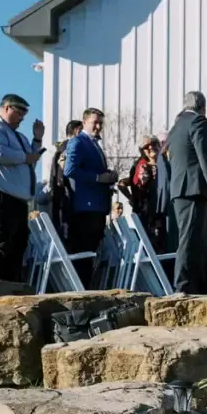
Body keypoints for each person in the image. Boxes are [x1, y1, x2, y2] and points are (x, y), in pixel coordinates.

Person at [0, 94, 44, 282]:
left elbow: (29, 162)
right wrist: (24, 157)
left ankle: (10, 289)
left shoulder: (18, 136)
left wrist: (36, 141)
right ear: (6, 108)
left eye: (24, 114)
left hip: (17, 199)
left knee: (16, 246)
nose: (22, 118)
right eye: (19, 112)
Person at [168, 92, 207, 294]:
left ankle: (204, 283)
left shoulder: (176, 127)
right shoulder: (198, 122)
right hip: (193, 188)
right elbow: (204, 154)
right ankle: (183, 284)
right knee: (190, 238)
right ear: (202, 107)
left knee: (199, 239)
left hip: (180, 189)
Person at [64, 108, 116, 287]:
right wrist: (97, 178)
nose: (98, 126)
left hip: (97, 206)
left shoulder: (94, 144)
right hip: (85, 208)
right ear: (84, 122)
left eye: (101, 123)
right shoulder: (78, 142)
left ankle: (87, 288)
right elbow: (69, 170)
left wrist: (107, 176)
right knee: (83, 254)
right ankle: (80, 290)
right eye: (95, 122)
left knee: (92, 252)